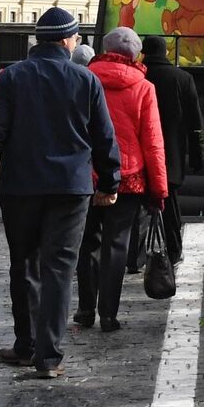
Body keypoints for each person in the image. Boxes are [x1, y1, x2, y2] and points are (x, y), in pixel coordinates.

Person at [0, 8, 120, 380]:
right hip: (70, 188)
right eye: (76, 38)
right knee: (59, 269)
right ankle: (49, 356)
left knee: (24, 265)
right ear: (66, 40)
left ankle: (26, 345)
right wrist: (110, 183)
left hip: (21, 187)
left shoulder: (12, 78)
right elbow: (104, 138)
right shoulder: (84, 79)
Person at [77, 28, 167, 332]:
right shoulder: (143, 87)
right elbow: (152, 141)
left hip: (85, 174)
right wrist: (159, 190)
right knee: (117, 244)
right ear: (135, 54)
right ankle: (109, 313)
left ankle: (85, 308)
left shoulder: (85, 79)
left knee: (87, 240)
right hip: (129, 177)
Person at [138, 35, 204, 265]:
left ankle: (134, 257)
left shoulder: (139, 77)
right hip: (172, 154)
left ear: (143, 52)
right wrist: (198, 159)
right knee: (171, 206)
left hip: (140, 152)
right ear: (166, 51)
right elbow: (195, 122)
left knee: (136, 206)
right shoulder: (182, 78)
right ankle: (174, 251)